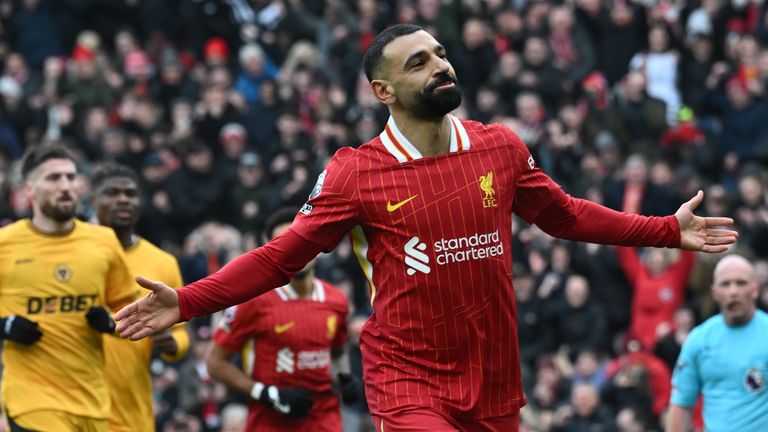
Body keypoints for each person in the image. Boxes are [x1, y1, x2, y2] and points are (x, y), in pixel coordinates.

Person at [117, 25, 737, 431]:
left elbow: (565, 215)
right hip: (409, 379)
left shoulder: (499, 147)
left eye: (440, 53)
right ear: (384, 90)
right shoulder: (354, 172)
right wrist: (190, 301)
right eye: (420, 62)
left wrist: (662, 230)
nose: (441, 65)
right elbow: (282, 257)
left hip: (495, 375)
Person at [0, 145, 137, 431]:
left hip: (93, 402)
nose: (65, 186)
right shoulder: (5, 244)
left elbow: (133, 314)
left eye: (70, 177)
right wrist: (3, 325)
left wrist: (112, 323)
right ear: (30, 189)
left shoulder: (103, 242)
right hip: (33, 403)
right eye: (53, 178)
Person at [206, 207, 358, 431]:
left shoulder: (336, 300)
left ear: (318, 247)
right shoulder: (253, 300)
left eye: (301, 241)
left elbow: (337, 352)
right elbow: (214, 363)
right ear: (271, 251)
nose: (294, 251)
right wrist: (265, 393)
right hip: (271, 423)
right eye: (283, 244)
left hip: (325, 421)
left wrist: (344, 378)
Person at [91, 163, 190, 432]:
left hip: (131, 411)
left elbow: (182, 333)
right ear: (92, 200)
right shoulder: (71, 253)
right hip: (72, 405)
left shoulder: (163, 262)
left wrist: (171, 344)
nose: (123, 199)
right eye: (112, 192)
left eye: (130, 193)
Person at [667, 255, 768, 431]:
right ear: (714, 292)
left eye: (741, 283)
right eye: (725, 284)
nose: (733, 291)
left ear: (755, 289)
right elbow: (681, 403)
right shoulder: (698, 340)